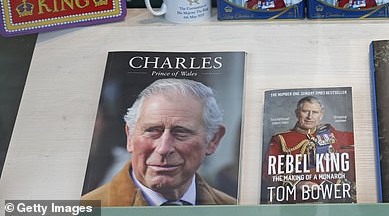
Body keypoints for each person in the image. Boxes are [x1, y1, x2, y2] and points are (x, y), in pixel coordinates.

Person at [81, 78, 236, 206]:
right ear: (130, 136)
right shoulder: (84, 209)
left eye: (181, 132)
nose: (163, 148)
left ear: (213, 139)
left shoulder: (233, 208)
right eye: (152, 131)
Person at [262, 96, 355, 203]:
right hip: (296, 200)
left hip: (331, 200)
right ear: (297, 113)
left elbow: (361, 139)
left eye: (315, 112)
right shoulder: (281, 139)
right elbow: (268, 175)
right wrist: (297, 184)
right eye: (305, 111)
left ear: (321, 115)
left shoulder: (331, 134)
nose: (310, 116)